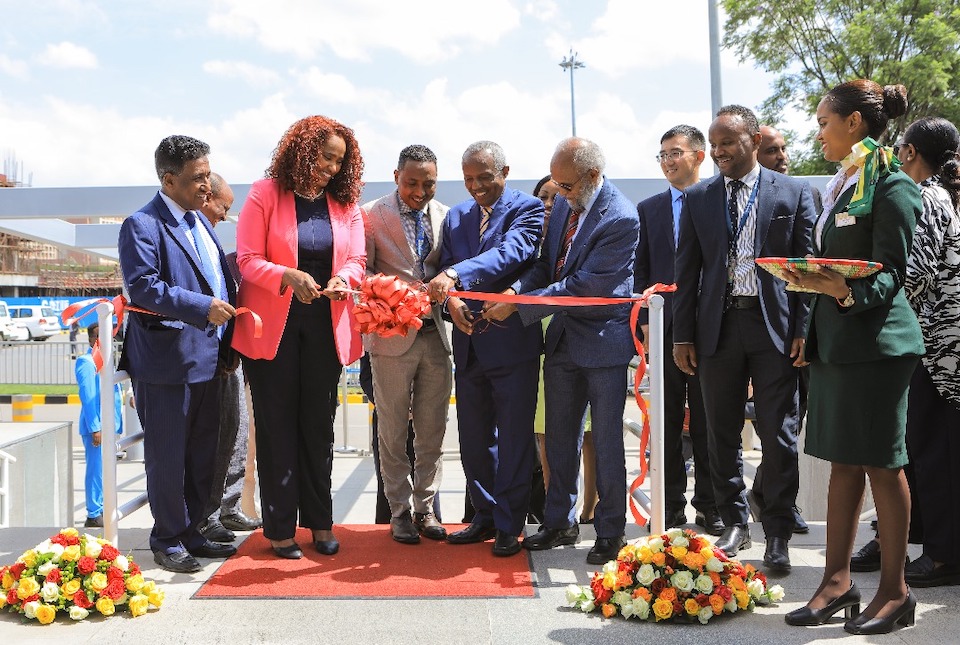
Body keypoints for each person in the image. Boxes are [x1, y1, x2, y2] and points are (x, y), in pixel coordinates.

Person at [782, 80, 923, 635]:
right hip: (838, 344)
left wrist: (837, 289)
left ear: (854, 124)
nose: (818, 132)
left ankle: (895, 593)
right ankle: (836, 582)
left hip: (877, 347)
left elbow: (891, 272)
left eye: (823, 122)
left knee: (883, 467)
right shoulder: (844, 184)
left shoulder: (892, 186)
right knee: (842, 463)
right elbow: (839, 259)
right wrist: (809, 277)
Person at [673, 105, 816, 574]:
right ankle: (733, 521)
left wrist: (803, 330)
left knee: (779, 434)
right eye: (714, 145)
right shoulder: (699, 198)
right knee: (719, 431)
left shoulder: (793, 192)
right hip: (717, 329)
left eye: (728, 143)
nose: (718, 153)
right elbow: (687, 272)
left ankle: (777, 530)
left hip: (774, 328)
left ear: (753, 139)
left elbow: (806, 267)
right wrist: (682, 337)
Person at [485, 137, 639, 566]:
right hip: (561, 342)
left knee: (606, 442)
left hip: (603, 344)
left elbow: (586, 286)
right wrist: (516, 290)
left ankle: (610, 531)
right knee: (558, 439)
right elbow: (543, 266)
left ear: (592, 176)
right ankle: (559, 522)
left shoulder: (621, 217)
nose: (561, 193)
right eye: (556, 184)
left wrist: (520, 305)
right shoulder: (563, 208)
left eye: (567, 185)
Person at [232, 115, 366, 560]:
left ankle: (321, 523)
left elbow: (358, 259)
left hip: (326, 327)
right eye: (326, 157)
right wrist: (287, 275)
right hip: (275, 328)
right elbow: (248, 260)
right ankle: (280, 528)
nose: (331, 167)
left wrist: (345, 278)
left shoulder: (345, 204)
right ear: (302, 149)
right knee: (276, 429)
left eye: (338, 161)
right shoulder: (264, 194)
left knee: (318, 427)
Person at [118, 135, 238, 573]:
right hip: (167, 361)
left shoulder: (199, 221)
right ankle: (167, 539)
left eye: (208, 174)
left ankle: (192, 531)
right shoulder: (142, 225)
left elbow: (216, 278)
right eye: (198, 178)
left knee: (202, 453)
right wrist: (202, 307)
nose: (208, 186)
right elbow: (145, 286)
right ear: (169, 180)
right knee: (168, 455)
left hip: (208, 357)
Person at [427, 140, 543, 557]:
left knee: (514, 438)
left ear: (505, 172)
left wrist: (455, 275)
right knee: (473, 438)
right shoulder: (456, 216)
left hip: (512, 342)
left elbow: (514, 253)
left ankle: (511, 524)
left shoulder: (527, 209)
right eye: (469, 179)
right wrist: (451, 300)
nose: (475, 186)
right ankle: (485, 515)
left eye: (484, 178)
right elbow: (440, 274)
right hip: (469, 341)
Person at [362, 144, 452, 544]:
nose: (420, 191)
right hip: (391, 338)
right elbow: (360, 271)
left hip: (436, 336)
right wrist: (393, 295)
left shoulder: (447, 216)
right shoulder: (369, 215)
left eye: (428, 183)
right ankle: (398, 511)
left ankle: (425, 509)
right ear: (396, 175)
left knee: (433, 430)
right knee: (393, 431)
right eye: (412, 182)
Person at [635, 124, 720, 535]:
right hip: (665, 329)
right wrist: (647, 326)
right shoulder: (649, 209)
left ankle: (711, 505)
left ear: (699, 156)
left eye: (676, 153)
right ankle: (668, 508)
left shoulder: (719, 200)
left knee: (709, 419)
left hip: (713, 328)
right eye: (662, 154)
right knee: (666, 422)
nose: (668, 161)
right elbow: (641, 272)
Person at [898, 117, 960, 588]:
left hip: (936, 349)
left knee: (933, 450)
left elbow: (915, 275)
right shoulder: (941, 194)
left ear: (911, 152)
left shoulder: (927, 196)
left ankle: (942, 557)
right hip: (942, 346)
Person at [749, 124, 811, 536]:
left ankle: (771, 498)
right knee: (776, 426)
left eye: (784, 149)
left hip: (794, 330)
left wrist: (803, 327)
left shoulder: (802, 191)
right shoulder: (745, 197)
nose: (782, 156)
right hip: (750, 329)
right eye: (772, 150)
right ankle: (771, 501)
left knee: (789, 425)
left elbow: (808, 263)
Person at [196, 173, 262, 544]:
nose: (225, 217)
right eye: (224, 209)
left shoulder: (218, 249)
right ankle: (206, 515)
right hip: (202, 357)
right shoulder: (190, 240)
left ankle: (228, 506)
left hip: (229, 357)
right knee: (213, 437)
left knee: (234, 433)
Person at [75, 322, 123, 529]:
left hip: (108, 428)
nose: (109, 340)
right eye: (103, 335)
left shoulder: (104, 362)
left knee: (104, 471)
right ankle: (93, 512)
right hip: (97, 429)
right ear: (94, 339)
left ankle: (101, 507)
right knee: (96, 471)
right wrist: (96, 428)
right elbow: (88, 398)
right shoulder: (87, 362)